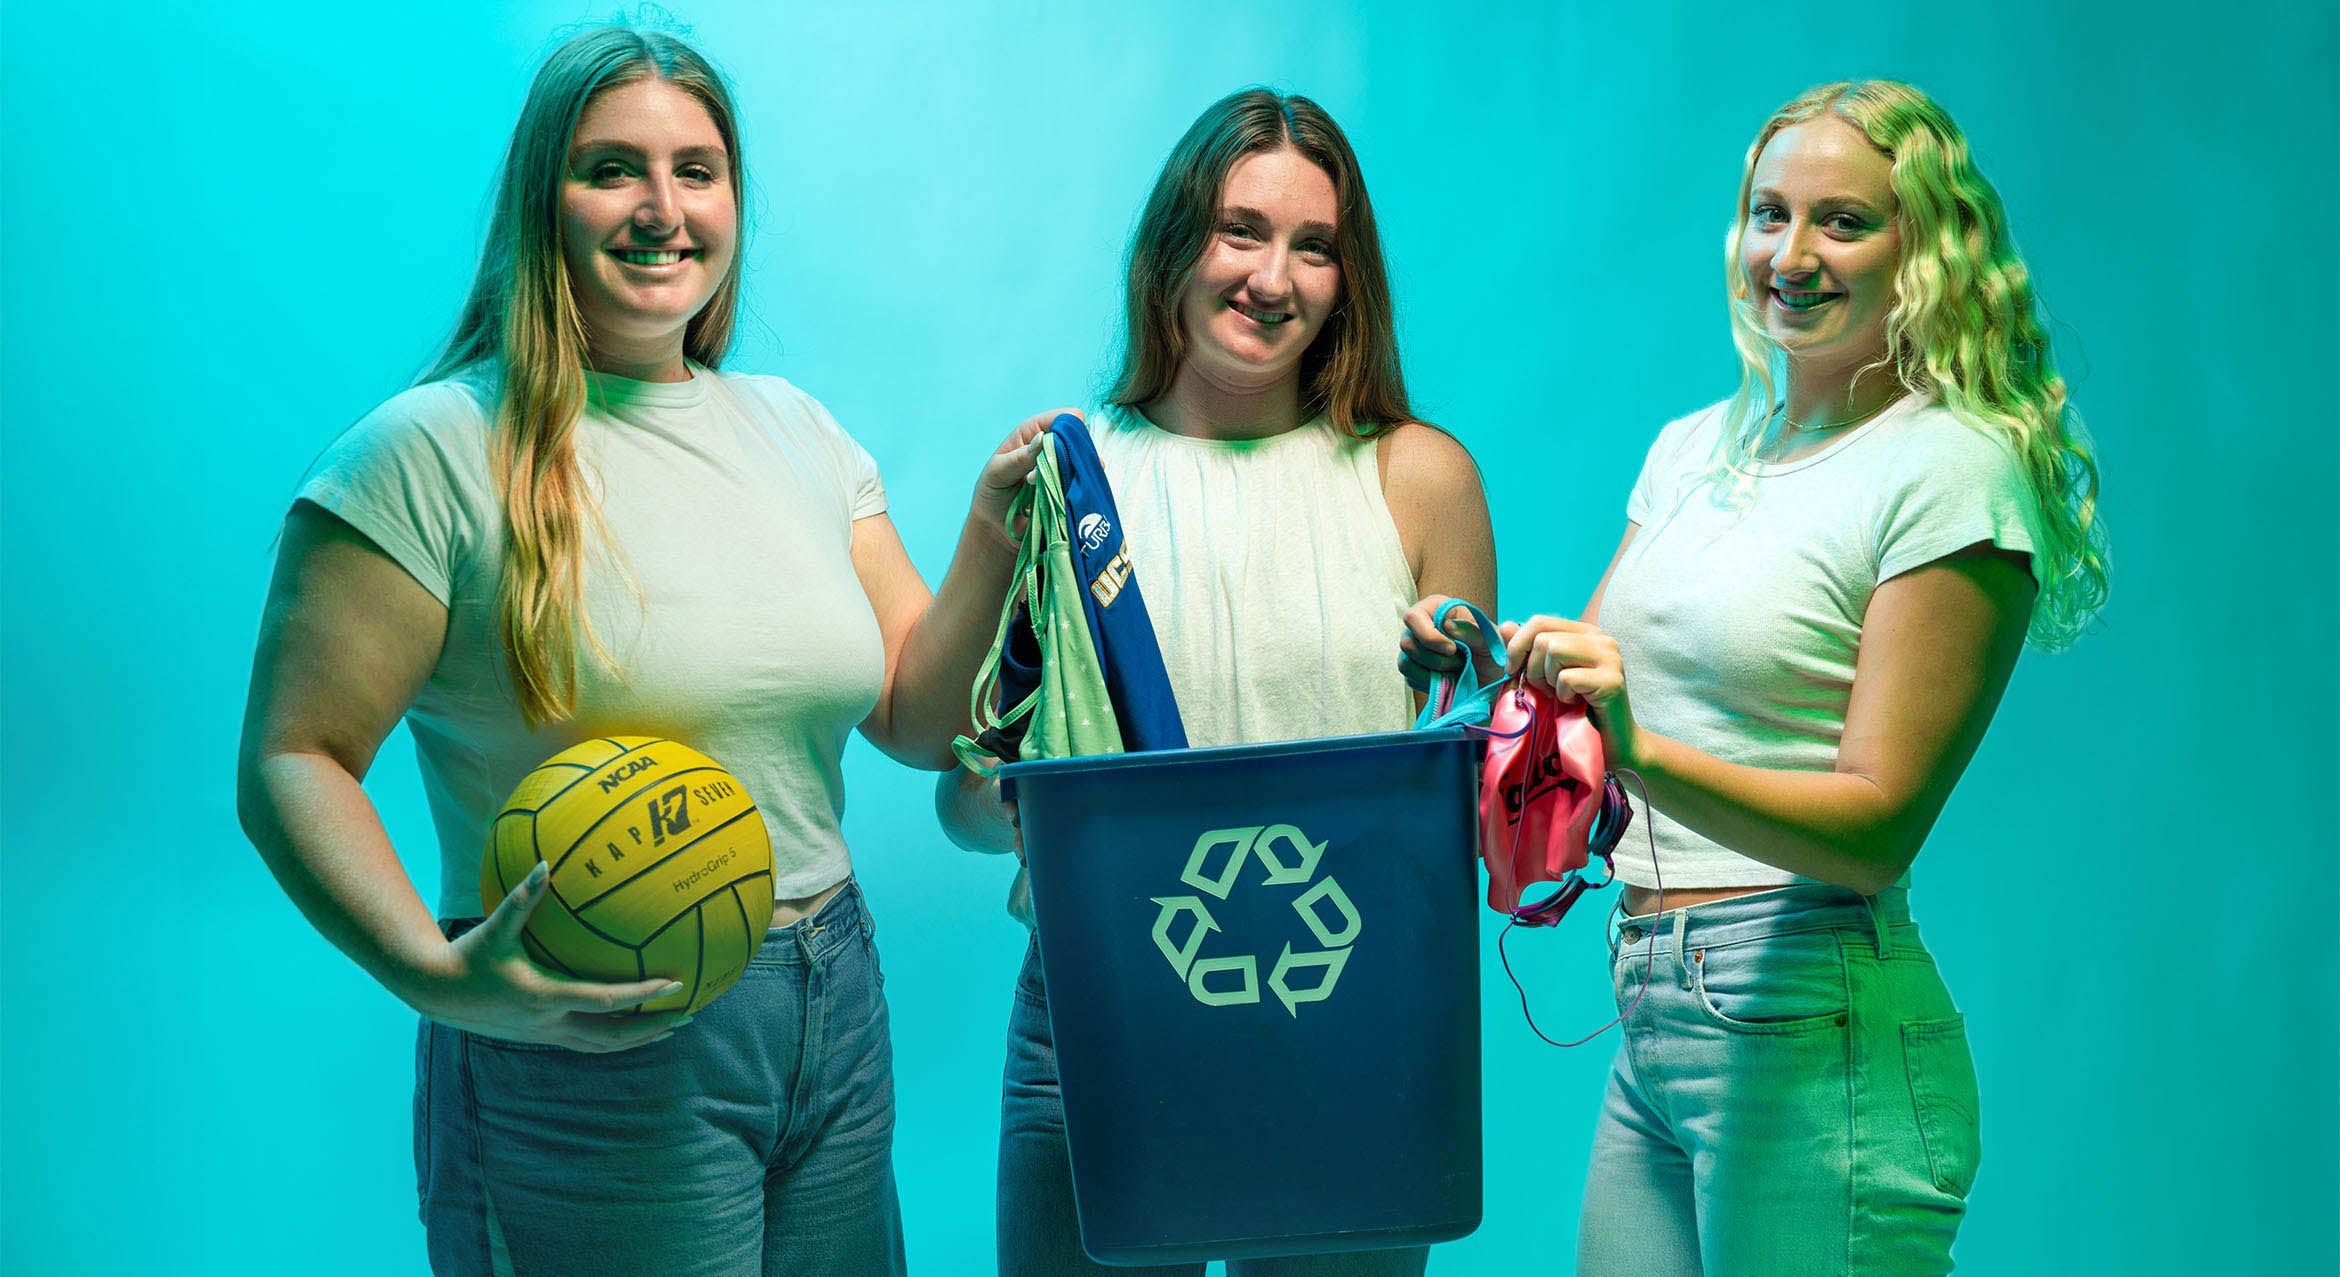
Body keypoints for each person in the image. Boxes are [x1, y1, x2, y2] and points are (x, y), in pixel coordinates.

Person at [235, 25, 1047, 1276]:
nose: (662, 209)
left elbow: (916, 719)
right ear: (541, 201)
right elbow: (295, 754)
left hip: (832, 988)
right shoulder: (430, 452)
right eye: (613, 168)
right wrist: (439, 976)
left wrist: (992, 533)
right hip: (592, 1027)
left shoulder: (796, 431)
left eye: (698, 171)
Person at [1405, 79, 2110, 1275]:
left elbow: (1878, 826)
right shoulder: (1695, 448)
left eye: (1843, 221)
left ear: (1926, 254)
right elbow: (1593, 705)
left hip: (1810, 1011)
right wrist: (1485, 662)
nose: (1792, 252)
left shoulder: (1949, 471)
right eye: (1767, 213)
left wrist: (1640, 751)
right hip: (1652, 1003)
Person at [939, 89, 1496, 1275]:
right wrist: (1016, 800)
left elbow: (1467, 793)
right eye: (1241, 230)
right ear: (1174, 243)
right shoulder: (1070, 482)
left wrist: (1475, 700)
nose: (1272, 276)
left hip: (1349, 1003)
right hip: (1103, 1014)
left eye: (1314, 246)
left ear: (1351, 280)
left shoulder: (1418, 479)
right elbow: (963, 796)